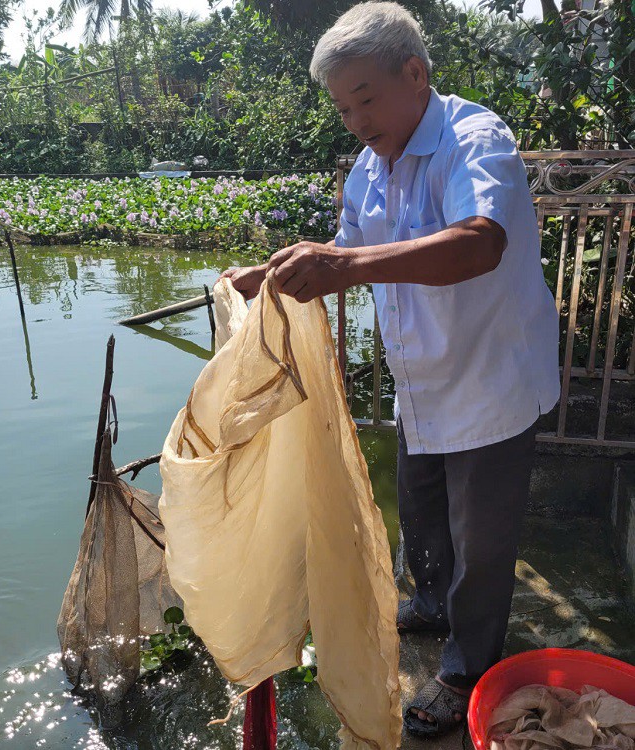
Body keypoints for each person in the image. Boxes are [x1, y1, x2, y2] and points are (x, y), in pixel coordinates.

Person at [220, 0, 560, 739]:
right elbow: (351, 248)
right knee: (423, 513)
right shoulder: (371, 172)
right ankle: (430, 604)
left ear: (414, 74)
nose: (355, 121)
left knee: (483, 538)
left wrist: (341, 265)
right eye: (342, 108)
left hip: (490, 381)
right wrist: (272, 277)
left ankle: (467, 665)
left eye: (365, 99)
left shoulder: (476, 139)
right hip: (423, 383)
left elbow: (478, 243)